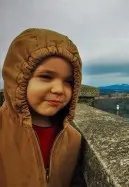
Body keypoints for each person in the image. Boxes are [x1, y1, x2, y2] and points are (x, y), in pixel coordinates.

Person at [0, 28, 85, 187]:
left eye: (68, 81)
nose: (59, 89)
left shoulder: (73, 138)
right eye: (46, 77)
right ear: (17, 79)